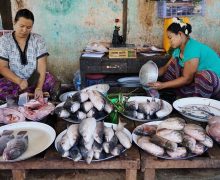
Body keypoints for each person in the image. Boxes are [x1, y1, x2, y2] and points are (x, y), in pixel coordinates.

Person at [148, 17, 220, 98]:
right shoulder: (178, 50)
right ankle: (185, 92)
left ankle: (198, 102)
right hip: (197, 81)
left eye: (170, 38)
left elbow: (187, 79)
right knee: (173, 65)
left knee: (203, 76)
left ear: (180, 34)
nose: (169, 41)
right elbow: (165, 68)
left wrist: (163, 85)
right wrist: (150, 77)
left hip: (215, 82)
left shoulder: (192, 48)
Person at [0, 9, 56, 101]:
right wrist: (19, 81)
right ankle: (31, 95)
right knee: (1, 89)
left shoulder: (38, 40)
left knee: (50, 80)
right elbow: (2, 67)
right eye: (21, 26)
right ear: (14, 23)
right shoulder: (4, 41)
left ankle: (25, 95)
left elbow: (41, 66)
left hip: (34, 79)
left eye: (29, 27)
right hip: (14, 80)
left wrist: (38, 88)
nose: (24, 30)